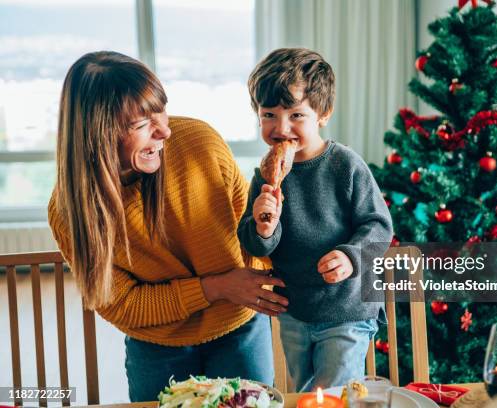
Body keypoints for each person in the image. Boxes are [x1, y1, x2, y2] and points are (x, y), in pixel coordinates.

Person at [47, 51, 288, 402]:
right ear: (98, 134)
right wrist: (216, 287)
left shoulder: (200, 143)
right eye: (142, 124)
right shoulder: (70, 210)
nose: (166, 130)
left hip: (240, 326)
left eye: (161, 110)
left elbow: (252, 237)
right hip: (157, 343)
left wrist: (266, 234)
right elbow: (122, 304)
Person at [237, 48, 393, 391]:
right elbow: (251, 240)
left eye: (296, 115)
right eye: (269, 115)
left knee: (333, 393)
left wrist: (351, 257)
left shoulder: (345, 165)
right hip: (295, 309)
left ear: (323, 114)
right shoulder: (265, 176)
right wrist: (264, 226)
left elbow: (379, 226)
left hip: (347, 309)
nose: (281, 128)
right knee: (305, 390)